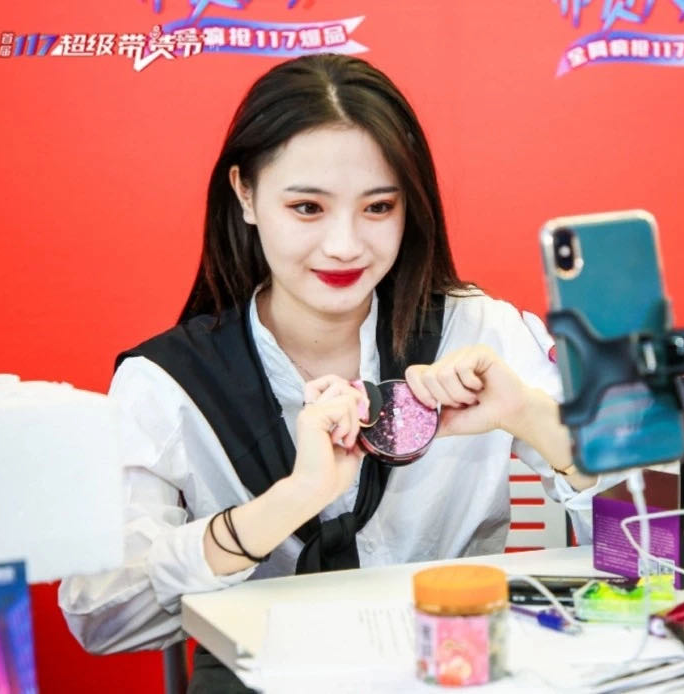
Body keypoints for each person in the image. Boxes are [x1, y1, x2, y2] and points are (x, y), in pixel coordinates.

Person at [59, 54, 618, 691]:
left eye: (378, 208)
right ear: (245, 194)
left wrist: (533, 419)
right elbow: (99, 616)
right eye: (307, 207)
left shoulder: (480, 334)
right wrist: (288, 503)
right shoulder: (169, 383)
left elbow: (661, 550)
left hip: (459, 669)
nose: (345, 245)